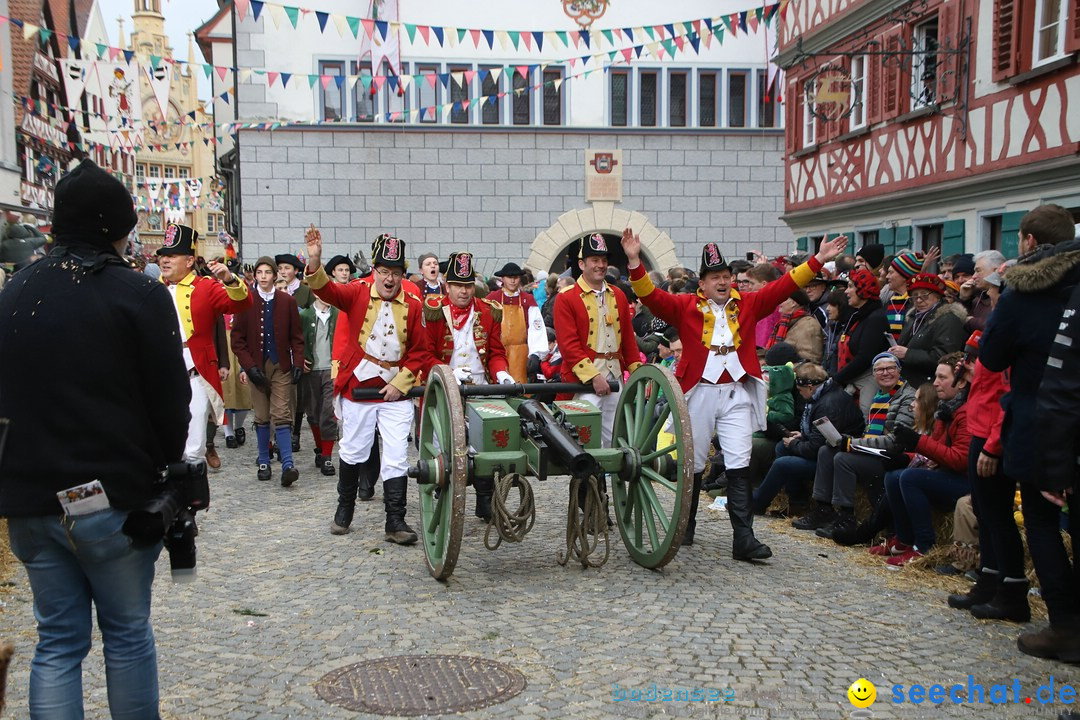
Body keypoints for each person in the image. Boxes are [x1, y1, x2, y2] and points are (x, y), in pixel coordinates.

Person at [0, 160, 191, 719]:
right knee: (127, 635)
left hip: (32, 499)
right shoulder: (138, 295)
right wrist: (160, 469)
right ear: (115, 227)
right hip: (110, 496)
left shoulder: (12, 295)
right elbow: (170, 405)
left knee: (57, 642)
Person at [624, 230, 849, 558]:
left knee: (739, 461)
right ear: (702, 283)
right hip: (699, 391)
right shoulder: (685, 306)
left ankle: (743, 538)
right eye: (715, 277)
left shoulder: (750, 303)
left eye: (727, 276)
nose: (723, 282)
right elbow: (650, 296)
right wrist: (633, 260)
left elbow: (783, 286)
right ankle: (685, 525)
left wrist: (818, 259)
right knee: (695, 461)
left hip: (737, 393)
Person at [980, 203, 1080, 662]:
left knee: (1040, 522)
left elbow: (994, 357)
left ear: (1030, 243)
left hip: (1039, 417)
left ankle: (1064, 624)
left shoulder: (1023, 292)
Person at [304, 229, 433, 543]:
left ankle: (395, 521)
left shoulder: (414, 303)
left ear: (404, 274)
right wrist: (315, 260)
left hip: (395, 392)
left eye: (396, 273)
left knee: (397, 455)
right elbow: (327, 290)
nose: (389, 279)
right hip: (359, 386)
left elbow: (420, 352)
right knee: (354, 449)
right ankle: (344, 507)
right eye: (384, 271)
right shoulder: (357, 292)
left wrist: (402, 383)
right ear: (374, 270)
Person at [423, 251, 512, 520]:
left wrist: (503, 374)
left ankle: (485, 501)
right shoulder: (435, 311)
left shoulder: (487, 311)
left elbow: (496, 352)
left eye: (468, 285)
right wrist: (449, 372)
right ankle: (445, 494)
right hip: (444, 388)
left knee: (483, 445)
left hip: (480, 387)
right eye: (458, 286)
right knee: (445, 446)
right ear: (447, 285)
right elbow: (425, 355)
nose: (463, 292)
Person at [947, 331, 1028, 621]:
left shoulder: (1004, 346)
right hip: (980, 429)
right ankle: (988, 581)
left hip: (993, 434)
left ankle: (1011, 591)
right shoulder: (990, 335)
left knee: (997, 515)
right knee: (984, 512)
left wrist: (994, 444)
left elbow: (1006, 399)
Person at [157, 223, 253, 465]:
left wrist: (229, 279)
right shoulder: (153, 289)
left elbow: (241, 304)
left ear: (189, 261)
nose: (165, 261)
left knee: (193, 444)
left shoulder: (206, 286)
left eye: (171, 256)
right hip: (161, 374)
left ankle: (193, 491)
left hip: (195, 372)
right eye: (163, 256)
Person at [793, 352, 915, 538]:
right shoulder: (879, 396)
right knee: (827, 450)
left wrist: (852, 443)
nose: (885, 373)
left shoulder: (907, 397)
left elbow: (896, 441)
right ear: (873, 375)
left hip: (892, 456)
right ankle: (823, 509)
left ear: (899, 371)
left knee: (844, 458)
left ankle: (846, 517)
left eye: (890, 368)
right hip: (873, 450)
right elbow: (870, 433)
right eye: (879, 370)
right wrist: (844, 439)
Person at [885, 353, 972, 567]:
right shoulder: (947, 409)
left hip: (967, 482)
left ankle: (924, 546)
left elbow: (960, 460)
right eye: (936, 377)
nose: (935, 383)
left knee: (910, 478)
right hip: (947, 473)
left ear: (961, 382)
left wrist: (917, 442)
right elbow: (934, 451)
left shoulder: (965, 413)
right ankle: (904, 539)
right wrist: (904, 456)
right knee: (893, 476)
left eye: (942, 377)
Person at [752, 362, 864, 516]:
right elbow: (819, 435)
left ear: (810, 387)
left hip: (834, 457)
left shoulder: (827, 405)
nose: (799, 394)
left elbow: (816, 448)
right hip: (826, 449)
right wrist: (802, 436)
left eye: (800, 390)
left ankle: (756, 503)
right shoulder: (825, 394)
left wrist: (794, 443)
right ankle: (797, 502)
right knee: (781, 447)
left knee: (782, 463)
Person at [231, 256, 305, 485]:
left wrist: (298, 363)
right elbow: (237, 339)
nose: (263, 276)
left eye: (267, 272)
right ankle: (264, 460)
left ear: (275, 275)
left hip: (280, 364)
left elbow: (297, 337)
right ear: (255, 275)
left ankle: (287, 464)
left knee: (282, 413)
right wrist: (249, 367)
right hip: (257, 365)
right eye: (259, 272)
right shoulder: (246, 301)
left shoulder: (286, 301)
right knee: (262, 415)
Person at [888, 273, 967, 387]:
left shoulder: (949, 320)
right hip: (908, 384)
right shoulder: (913, 318)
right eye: (914, 296)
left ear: (937, 296)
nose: (919, 300)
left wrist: (908, 354)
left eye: (924, 295)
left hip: (929, 386)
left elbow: (944, 357)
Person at [833, 269, 890, 419]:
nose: (846, 291)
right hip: (852, 379)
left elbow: (865, 357)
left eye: (851, 286)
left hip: (868, 381)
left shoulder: (875, 319)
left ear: (863, 291)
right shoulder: (858, 316)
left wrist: (837, 379)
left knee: (866, 417)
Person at [300, 288, 341, 477]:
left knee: (328, 413)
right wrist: (300, 359)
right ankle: (319, 447)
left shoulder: (339, 314)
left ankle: (327, 457)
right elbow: (297, 341)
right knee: (313, 413)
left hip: (331, 370)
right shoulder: (306, 315)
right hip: (311, 370)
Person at [488, 261, 547, 382]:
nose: (513, 281)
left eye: (515, 277)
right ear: (502, 278)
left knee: (520, 389)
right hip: (496, 351)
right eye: (509, 277)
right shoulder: (492, 299)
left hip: (521, 355)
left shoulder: (528, 300)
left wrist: (536, 354)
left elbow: (537, 329)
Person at [766, 289, 823, 363]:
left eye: (783, 299)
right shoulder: (783, 324)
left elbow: (810, 359)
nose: (779, 302)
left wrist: (788, 370)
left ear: (793, 303)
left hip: (795, 373)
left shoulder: (808, 325)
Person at [958, 250, 1006, 333]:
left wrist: (971, 322)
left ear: (995, 271)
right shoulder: (977, 297)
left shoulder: (1010, 297)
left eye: (978, 271)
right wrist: (964, 299)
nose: (973, 276)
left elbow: (1001, 328)